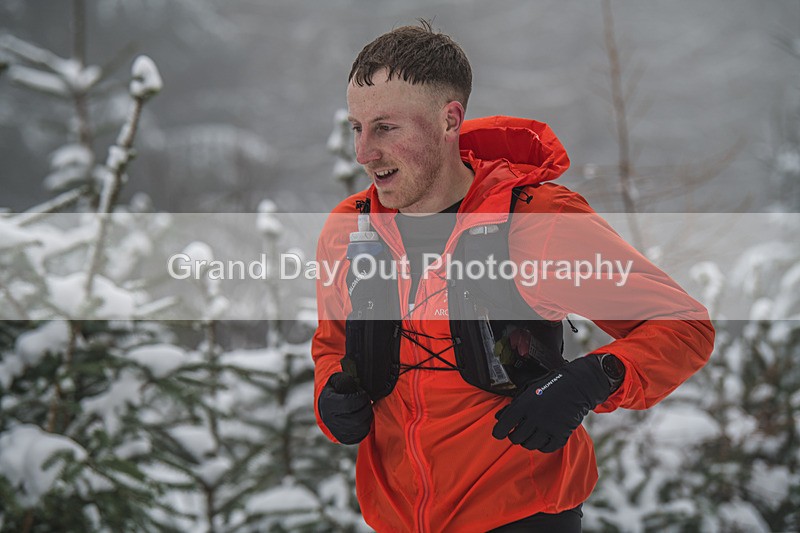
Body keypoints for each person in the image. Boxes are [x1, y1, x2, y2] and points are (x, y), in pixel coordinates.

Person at [312, 21, 714, 532]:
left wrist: (593, 379)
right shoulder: (349, 229)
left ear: (449, 120)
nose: (363, 152)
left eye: (386, 128)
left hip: (524, 514)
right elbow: (332, 345)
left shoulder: (539, 223)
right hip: (395, 518)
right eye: (356, 127)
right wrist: (331, 395)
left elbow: (685, 327)